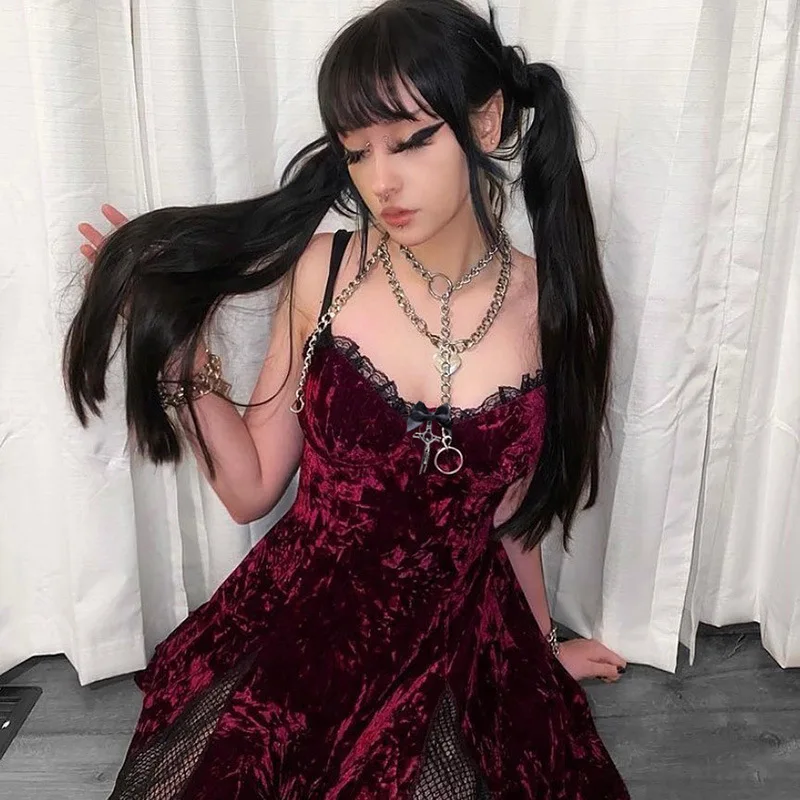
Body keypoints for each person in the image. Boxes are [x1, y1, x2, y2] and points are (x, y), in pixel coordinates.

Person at [66, 0, 630, 796]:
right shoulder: (323, 272)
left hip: (462, 638)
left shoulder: (550, 307)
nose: (381, 181)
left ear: (487, 119)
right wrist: (178, 351)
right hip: (308, 625)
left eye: (411, 140)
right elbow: (251, 487)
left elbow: (512, 512)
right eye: (357, 152)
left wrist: (537, 654)